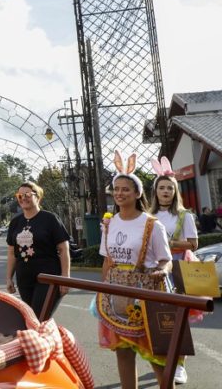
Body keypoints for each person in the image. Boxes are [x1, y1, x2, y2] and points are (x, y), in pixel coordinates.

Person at [97, 151, 173, 389]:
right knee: (123, 354)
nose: (119, 193)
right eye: (116, 189)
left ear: (138, 193)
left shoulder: (152, 225)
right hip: (116, 296)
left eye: (125, 189)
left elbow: (165, 260)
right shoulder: (109, 222)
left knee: (157, 358)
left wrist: (163, 271)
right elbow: (107, 261)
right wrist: (102, 289)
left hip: (147, 295)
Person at [148, 158, 198, 385]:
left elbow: (193, 243)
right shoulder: (147, 215)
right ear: (155, 191)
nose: (166, 191)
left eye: (169, 188)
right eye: (162, 187)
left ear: (175, 191)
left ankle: (180, 365)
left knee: (180, 318)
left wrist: (169, 244)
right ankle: (164, 359)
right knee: (158, 318)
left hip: (178, 268)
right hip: (155, 271)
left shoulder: (184, 215)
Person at [5, 182, 71, 318]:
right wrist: (9, 278)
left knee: (39, 317)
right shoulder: (15, 222)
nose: (23, 198)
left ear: (38, 197)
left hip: (48, 277)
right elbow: (12, 253)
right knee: (31, 319)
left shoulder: (50, 219)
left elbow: (64, 249)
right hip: (24, 279)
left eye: (28, 194)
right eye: (20, 195)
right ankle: (50, 338)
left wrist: (66, 278)